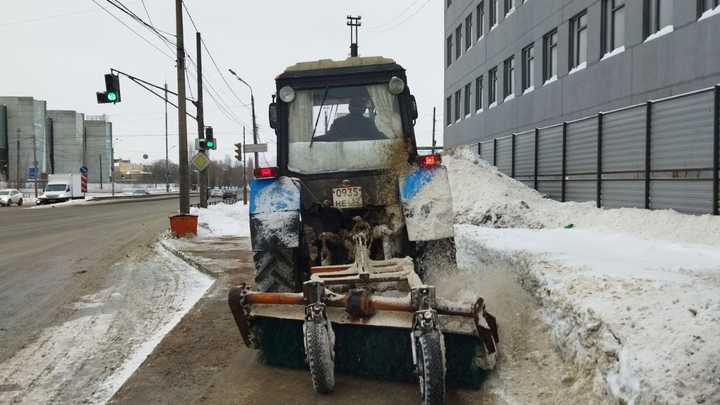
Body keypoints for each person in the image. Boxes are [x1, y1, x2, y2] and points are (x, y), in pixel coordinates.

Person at [315, 96, 386, 142]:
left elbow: (329, 138)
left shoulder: (339, 122)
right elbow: (379, 137)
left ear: (349, 108)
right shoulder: (368, 123)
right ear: (364, 109)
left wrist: (314, 140)